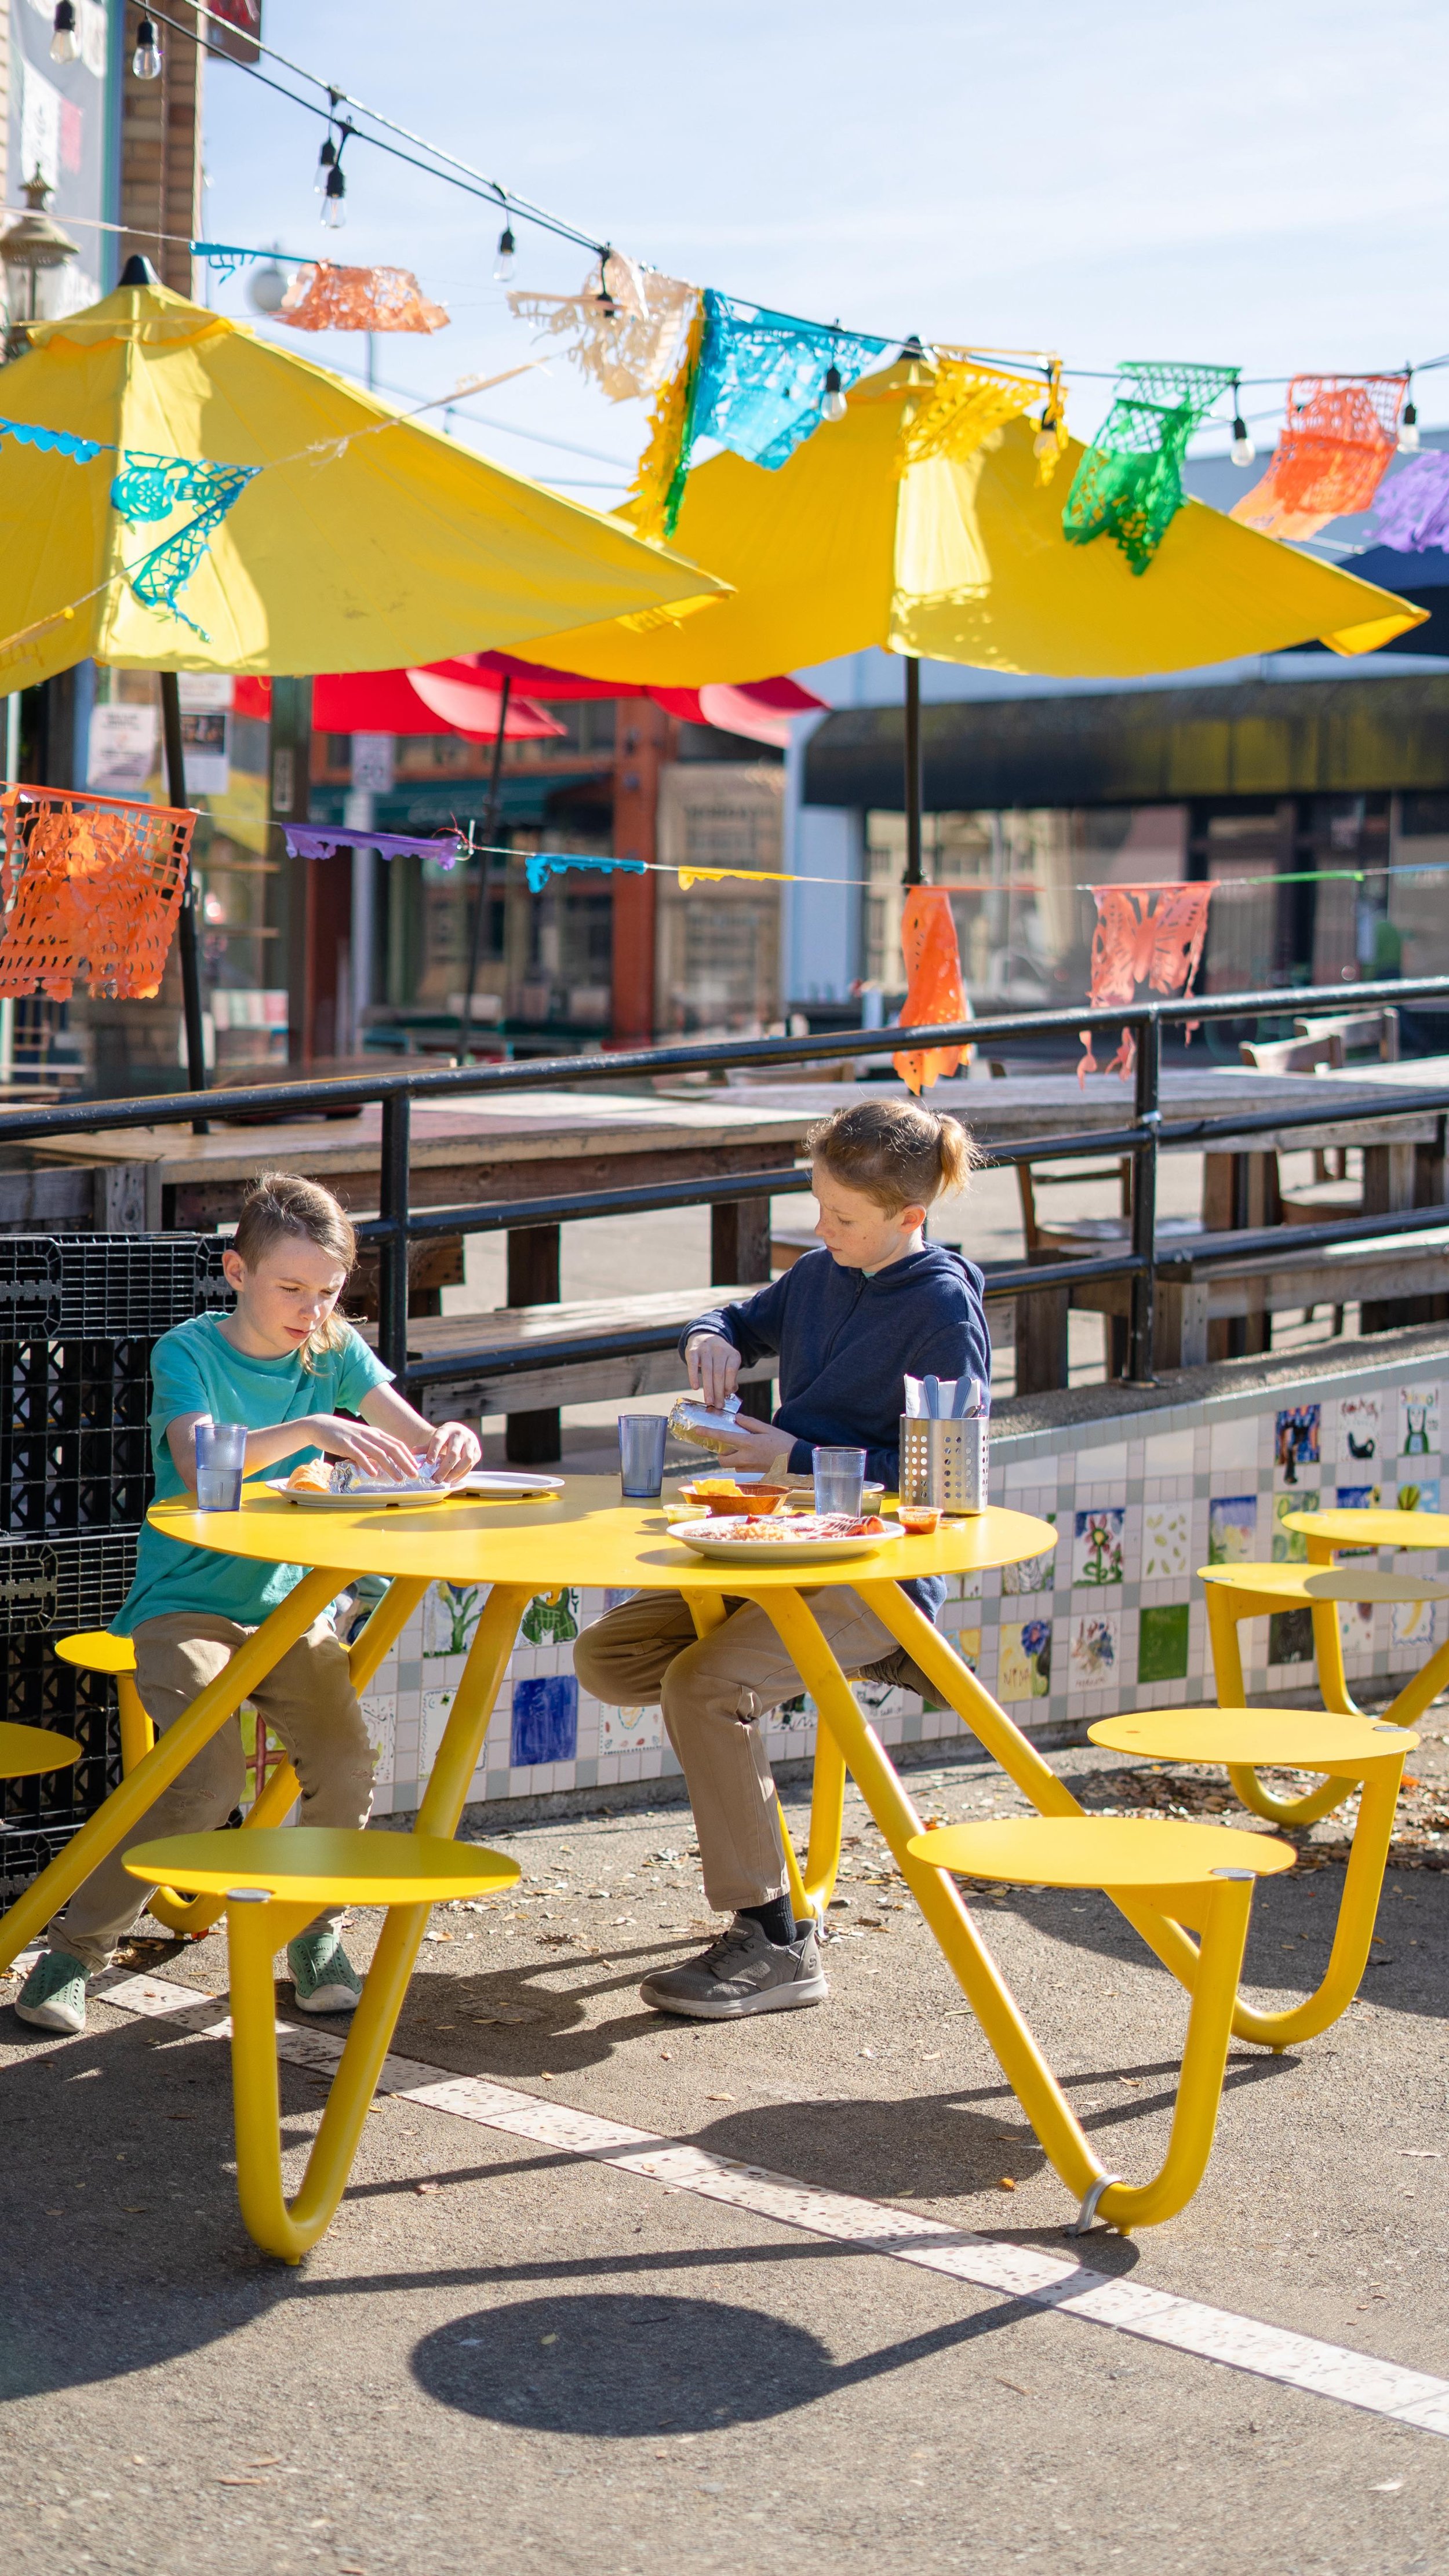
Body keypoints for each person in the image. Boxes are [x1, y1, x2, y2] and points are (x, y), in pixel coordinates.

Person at [13, 1172, 481, 2037]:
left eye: (329, 1292)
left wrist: (449, 1439)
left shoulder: (333, 1347)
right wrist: (313, 1429)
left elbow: (414, 1437)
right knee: (204, 1782)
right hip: (186, 1602)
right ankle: (74, 1953)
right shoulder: (187, 1350)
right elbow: (203, 1468)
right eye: (292, 1288)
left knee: (346, 1763)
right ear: (237, 1270)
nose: (313, 1310)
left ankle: (313, 1932)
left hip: (290, 1606)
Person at [573, 1097, 989, 2021]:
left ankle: (775, 1938)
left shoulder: (943, 1309)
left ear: (909, 1217)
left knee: (704, 1688)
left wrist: (793, 1454)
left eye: (842, 1216)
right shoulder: (819, 1273)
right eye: (818, 1205)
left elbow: (944, 1479)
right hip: (776, 1548)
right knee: (609, 1656)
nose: (822, 1228)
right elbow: (733, 1315)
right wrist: (710, 1339)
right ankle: (844, 1667)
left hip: (873, 1570)